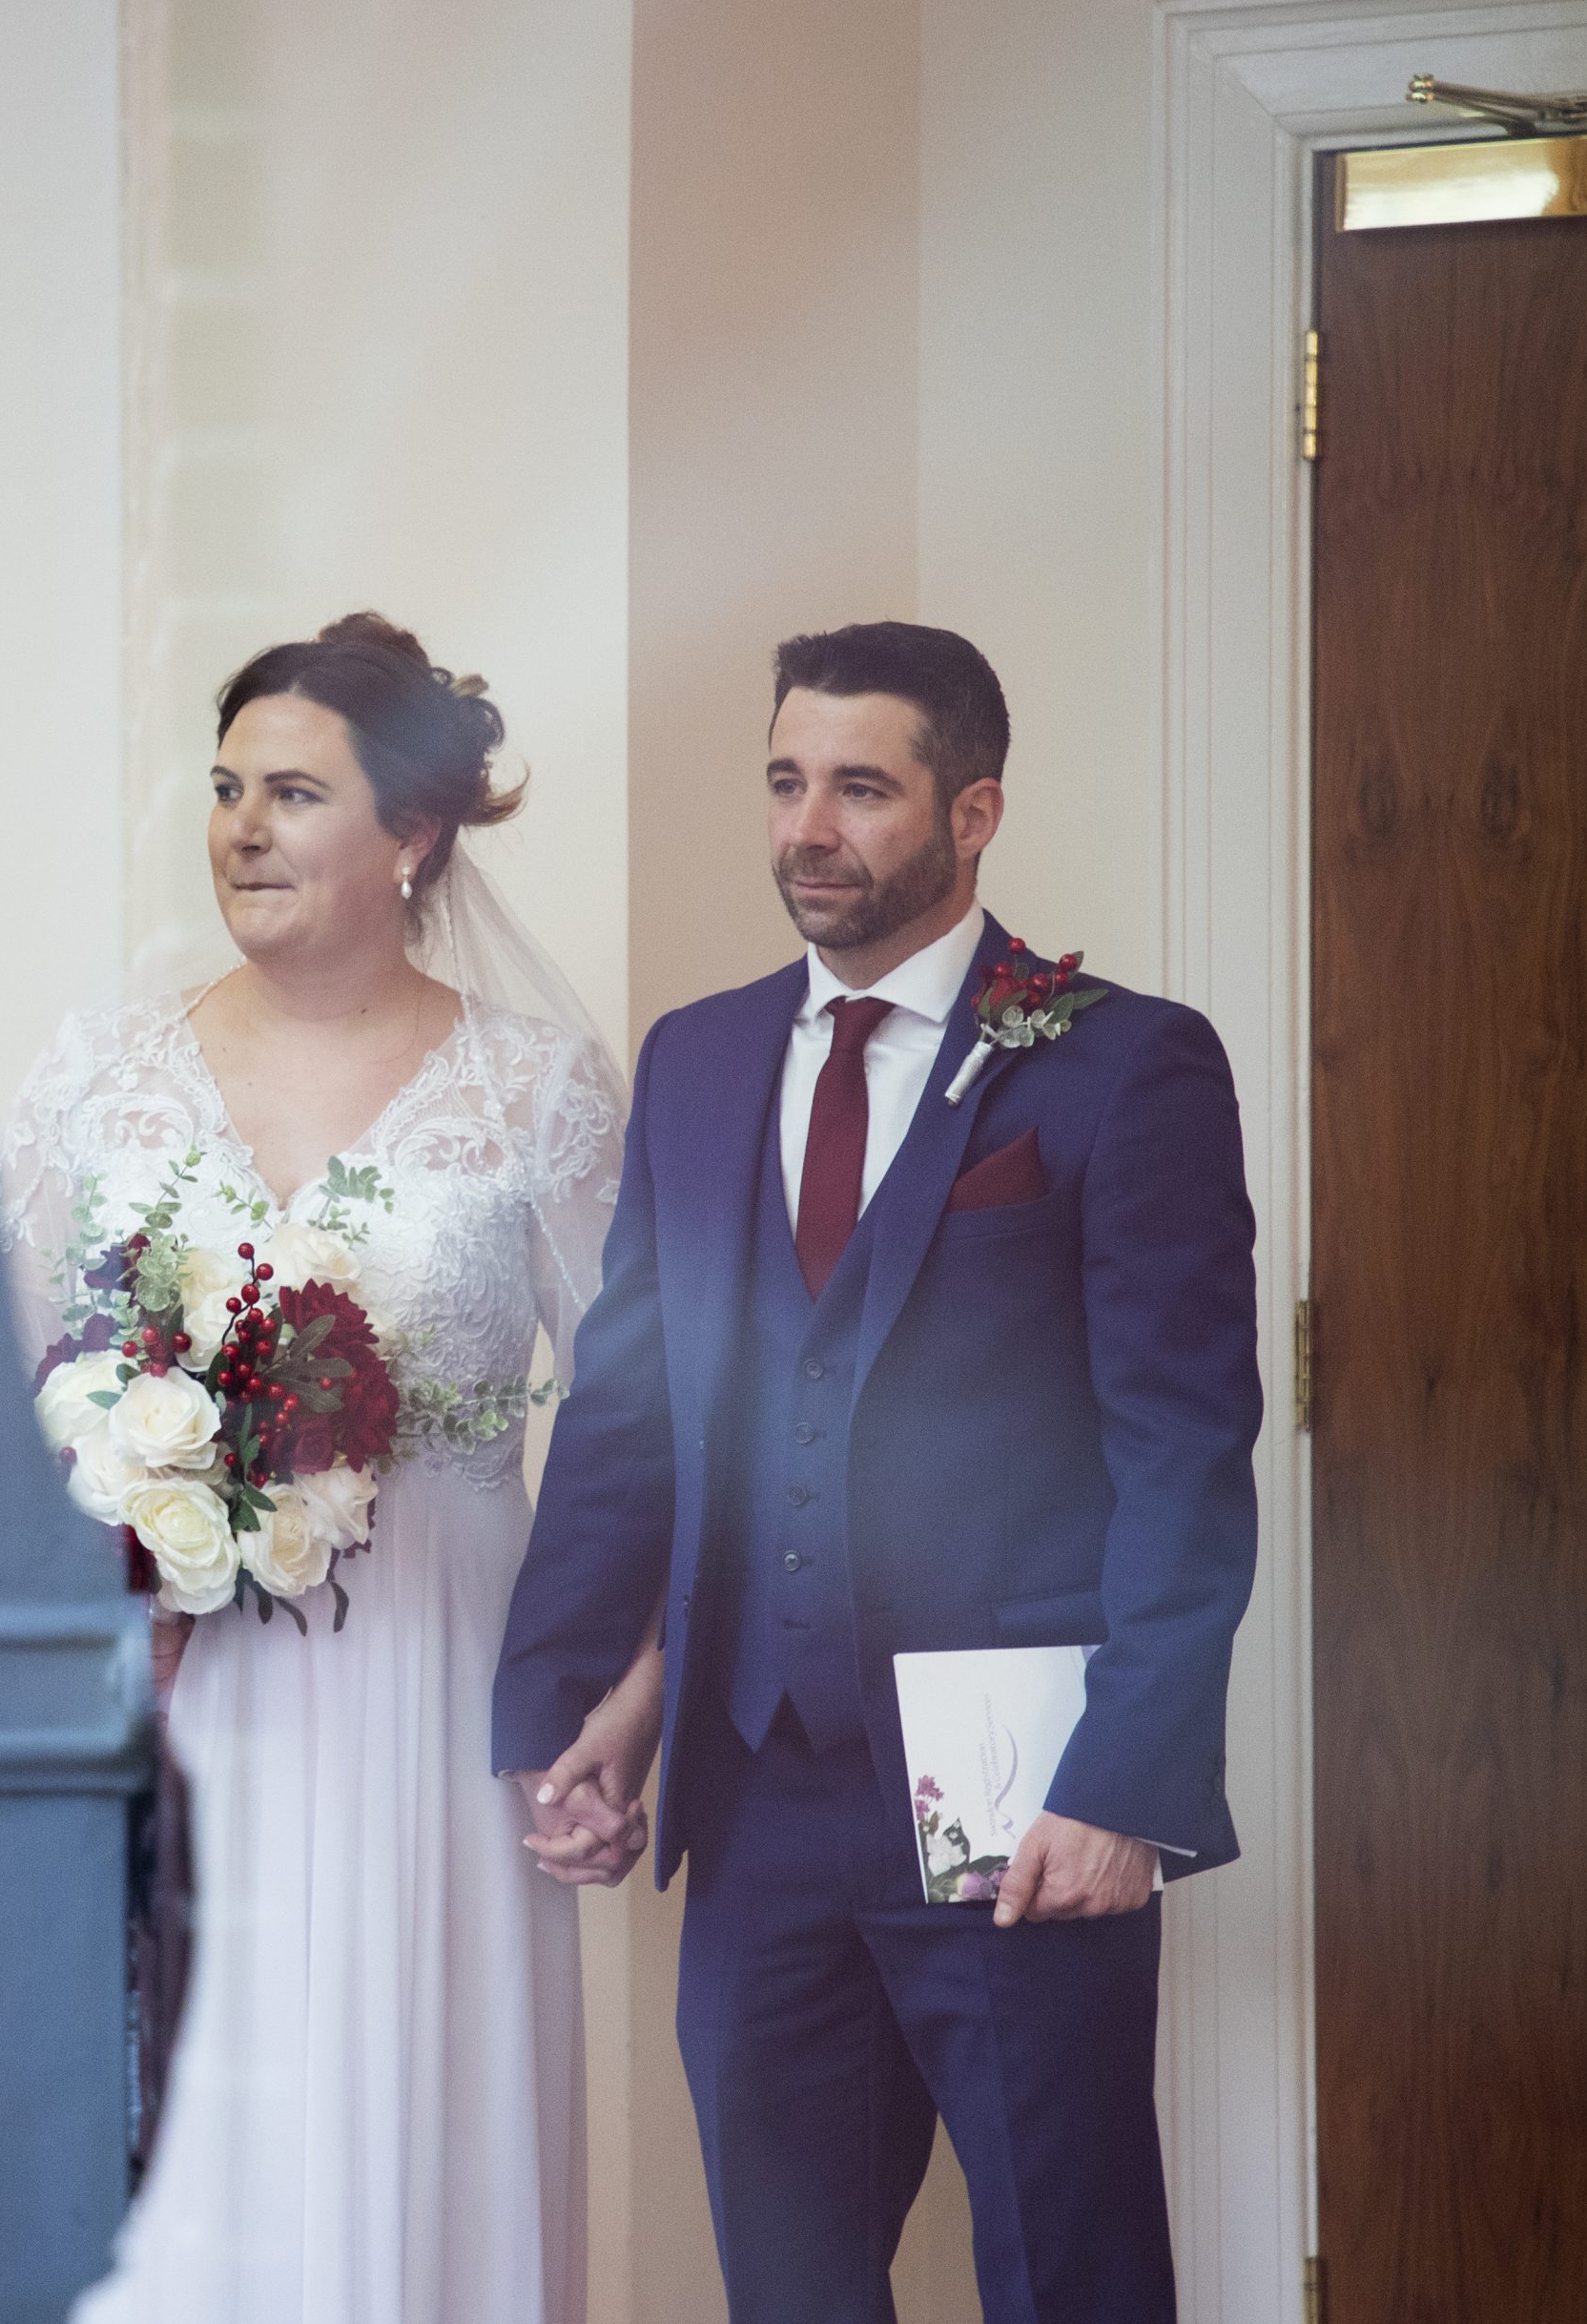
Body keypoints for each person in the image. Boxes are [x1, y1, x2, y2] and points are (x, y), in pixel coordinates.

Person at [493, 621, 1263, 2323]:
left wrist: (1127, 1783)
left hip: (1022, 1796)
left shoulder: (1125, 1064)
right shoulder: (698, 1059)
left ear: (973, 812)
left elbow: (1186, 1456)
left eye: (860, 788)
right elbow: (633, 1414)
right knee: (789, 2285)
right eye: (786, 782)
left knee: (1070, 2274)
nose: (808, 829)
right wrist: (584, 1701)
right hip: (757, 1790)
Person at [0, 614, 662, 2324]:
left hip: (444, 1681)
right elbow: (1, 1420)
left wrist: (632, 1690)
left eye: (294, 794)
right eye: (226, 790)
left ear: (413, 832)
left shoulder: (532, 1094)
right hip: (181, 1694)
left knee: (423, 2125)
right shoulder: (98, 1082)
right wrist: (106, 1580)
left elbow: (653, 1423)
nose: (242, 828)